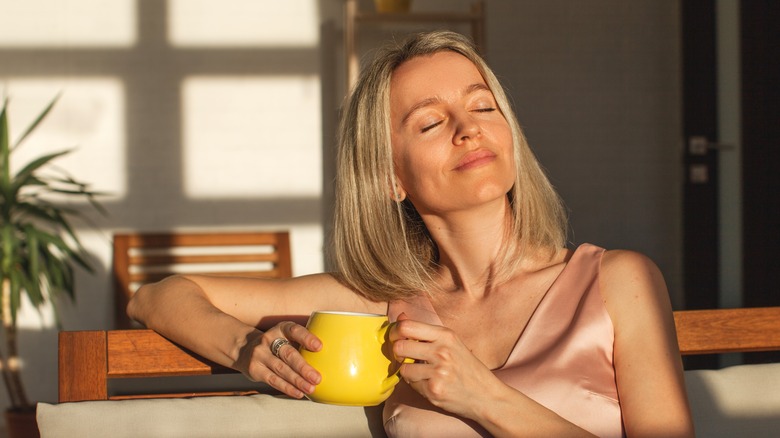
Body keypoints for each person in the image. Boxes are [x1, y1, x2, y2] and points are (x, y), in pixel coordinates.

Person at [128, 31, 694, 437]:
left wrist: (487, 397)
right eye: (430, 122)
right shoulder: (378, 306)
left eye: (482, 107)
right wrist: (245, 347)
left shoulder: (618, 281)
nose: (468, 128)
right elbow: (156, 295)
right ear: (391, 177)